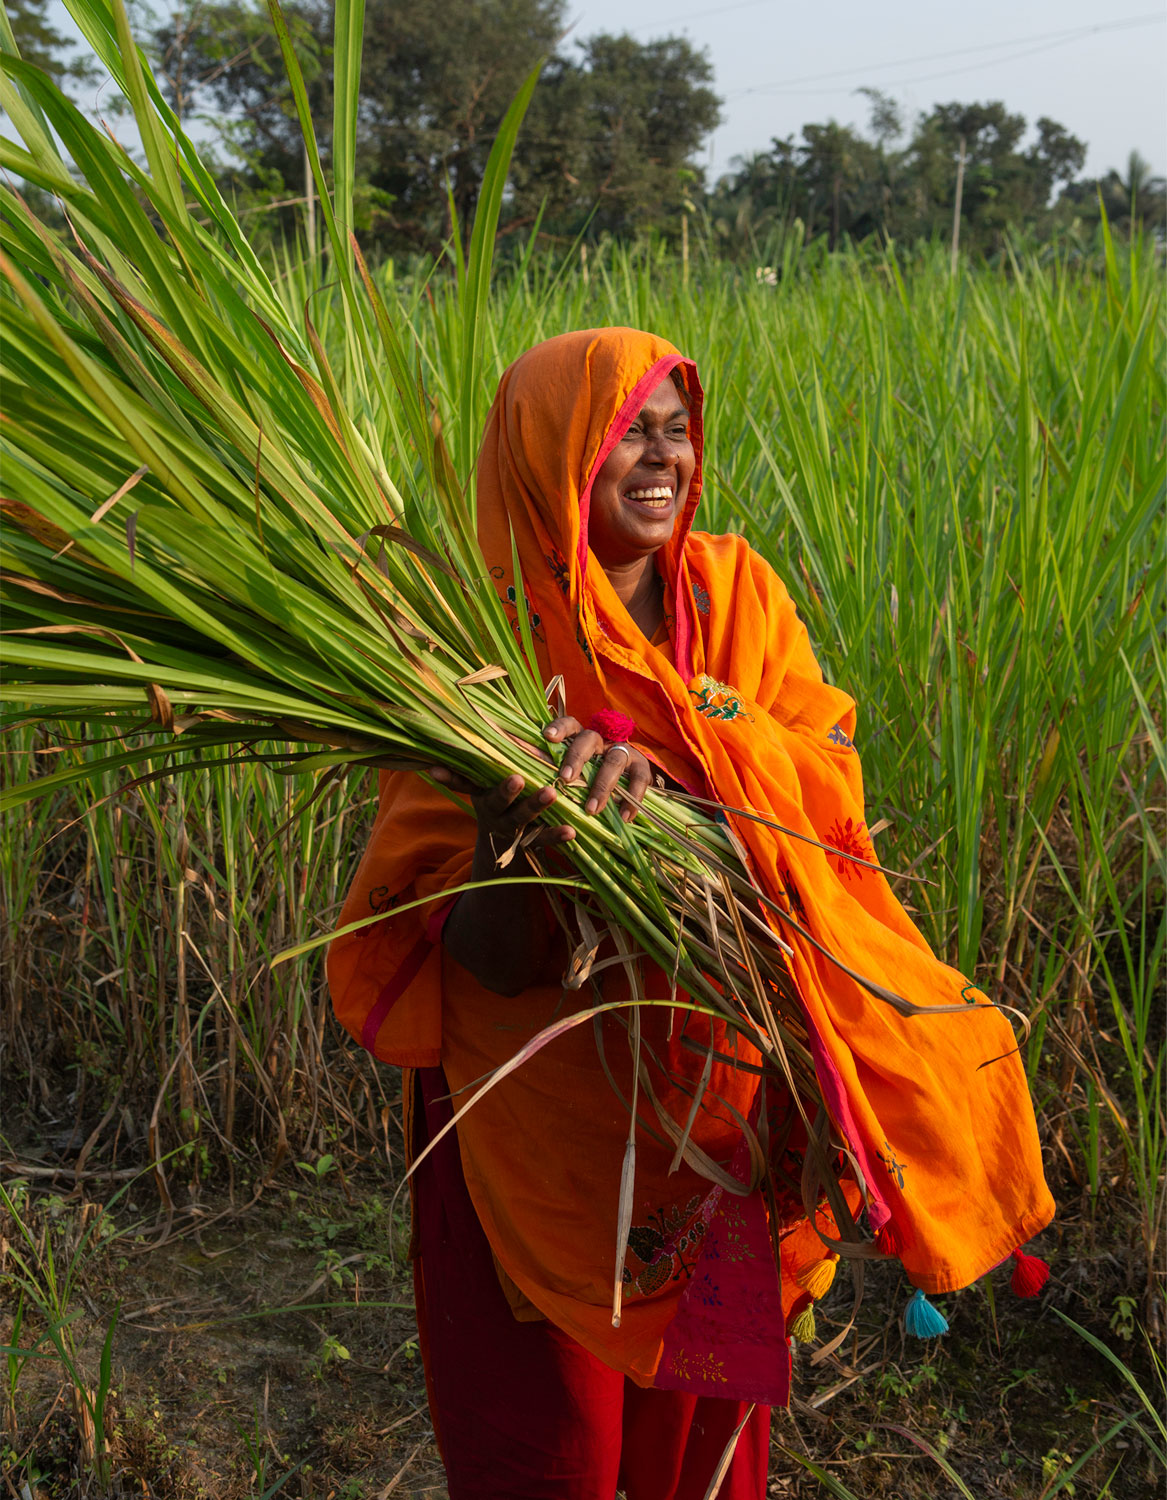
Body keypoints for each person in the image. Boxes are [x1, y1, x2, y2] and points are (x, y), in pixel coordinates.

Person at [328, 327, 1054, 1499]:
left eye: (677, 428)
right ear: (549, 450)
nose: (661, 457)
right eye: (626, 433)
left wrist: (691, 789)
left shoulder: (735, 595)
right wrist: (523, 835)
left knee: (703, 1462)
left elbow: (823, 797)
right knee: (547, 1457)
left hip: (711, 1117)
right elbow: (484, 962)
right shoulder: (474, 655)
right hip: (536, 1134)